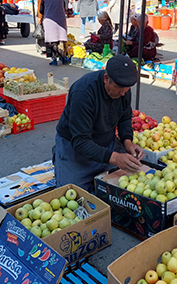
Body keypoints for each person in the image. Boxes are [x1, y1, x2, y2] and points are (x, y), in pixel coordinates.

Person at [53, 54, 144, 192]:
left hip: (106, 141)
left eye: (127, 89)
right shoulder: (83, 93)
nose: (123, 94)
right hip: (76, 146)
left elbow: (125, 117)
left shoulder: (123, 89)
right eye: (120, 89)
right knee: (72, 192)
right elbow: (81, 141)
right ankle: (60, 156)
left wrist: (127, 142)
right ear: (106, 79)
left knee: (128, 178)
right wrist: (114, 158)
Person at [40, 0, 69, 66]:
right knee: (61, 39)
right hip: (61, 19)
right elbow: (65, 7)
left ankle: (54, 59)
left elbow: (41, 10)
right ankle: (63, 58)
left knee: (52, 41)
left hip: (49, 19)